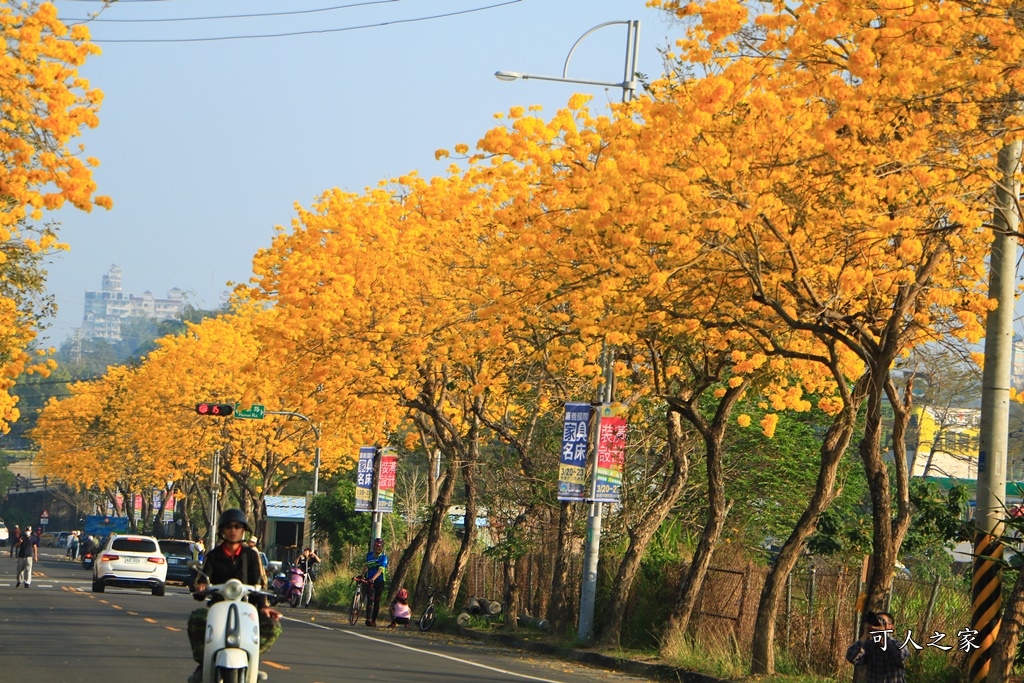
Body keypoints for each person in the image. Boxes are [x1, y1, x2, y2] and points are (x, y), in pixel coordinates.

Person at [186, 509, 282, 683]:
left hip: (248, 608)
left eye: (237, 526)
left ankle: (252, 660)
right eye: (229, 526)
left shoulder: (251, 555)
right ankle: (203, 664)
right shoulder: (213, 556)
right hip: (217, 607)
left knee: (273, 625)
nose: (233, 530)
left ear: (243, 530)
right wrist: (200, 588)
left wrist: (264, 606)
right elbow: (201, 581)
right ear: (222, 530)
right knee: (197, 619)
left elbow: (261, 582)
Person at [846, 610, 910, 683]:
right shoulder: (869, 646)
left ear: (891, 627)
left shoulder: (899, 644)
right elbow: (851, 657)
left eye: (883, 622)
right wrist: (865, 635)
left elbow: (900, 655)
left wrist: (884, 634)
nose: (878, 625)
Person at [363, 537, 388, 627]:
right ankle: (368, 619)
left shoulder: (383, 558)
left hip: (379, 581)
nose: (378, 548)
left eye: (380, 546)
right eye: (376, 546)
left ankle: (374, 620)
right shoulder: (369, 555)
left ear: (382, 548)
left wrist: (373, 578)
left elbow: (380, 570)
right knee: (370, 599)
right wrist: (362, 576)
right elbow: (366, 566)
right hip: (369, 580)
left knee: (377, 601)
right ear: (374, 546)